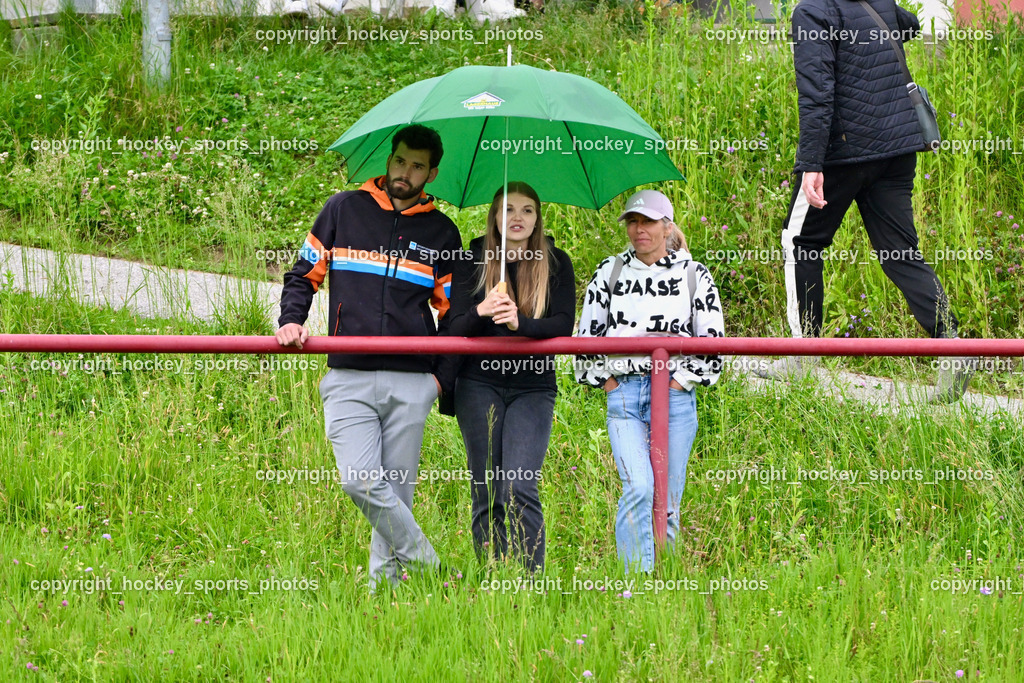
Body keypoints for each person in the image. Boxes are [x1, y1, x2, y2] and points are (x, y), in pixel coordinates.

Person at [276, 124, 462, 591]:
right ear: (388, 159)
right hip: (348, 376)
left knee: (395, 493)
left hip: (411, 380)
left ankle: (385, 598)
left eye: (417, 166)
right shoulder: (343, 209)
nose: (405, 172)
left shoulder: (442, 232)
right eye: (399, 160)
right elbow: (303, 274)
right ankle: (428, 565)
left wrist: (439, 380)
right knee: (360, 481)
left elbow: (454, 313)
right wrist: (290, 320)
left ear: (431, 173)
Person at [764, 0, 973, 402]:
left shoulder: (812, 11)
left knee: (801, 242)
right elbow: (909, 24)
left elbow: (816, 91)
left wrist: (811, 163)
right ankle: (952, 345)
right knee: (900, 252)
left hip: (845, 151)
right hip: (898, 147)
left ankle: (804, 353)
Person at [575, 190, 724, 573]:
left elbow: (712, 342)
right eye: (633, 222)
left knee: (667, 499)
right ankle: (635, 583)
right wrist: (610, 383)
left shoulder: (694, 275)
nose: (639, 229)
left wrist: (676, 384)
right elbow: (586, 339)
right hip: (624, 394)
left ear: (667, 226)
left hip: (673, 398)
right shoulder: (610, 272)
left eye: (649, 222)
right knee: (639, 487)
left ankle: (666, 582)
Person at [437, 182, 574, 572]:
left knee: (519, 485)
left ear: (537, 218)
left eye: (527, 210)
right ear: (495, 215)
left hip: (532, 386)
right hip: (478, 384)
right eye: (509, 209)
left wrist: (521, 323)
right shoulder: (473, 258)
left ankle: (532, 580)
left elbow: (564, 325)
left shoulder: (557, 261)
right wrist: (482, 311)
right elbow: (453, 327)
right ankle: (493, 576)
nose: (518, 218)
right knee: (487, 488)